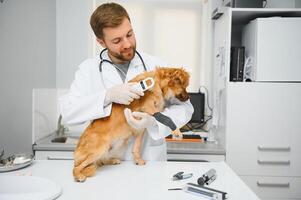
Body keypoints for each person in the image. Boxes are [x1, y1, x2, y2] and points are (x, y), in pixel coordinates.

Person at [59, 2, 193, 161]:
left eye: (129, 34)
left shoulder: (155, 65)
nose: (127, 44)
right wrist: (107, 96)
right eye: (117, 41)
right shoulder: (89, 69)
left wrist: (153, 121)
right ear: (101, 42)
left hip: (149, 162)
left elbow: (185, 109)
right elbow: (69, 112)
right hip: (108, 162)